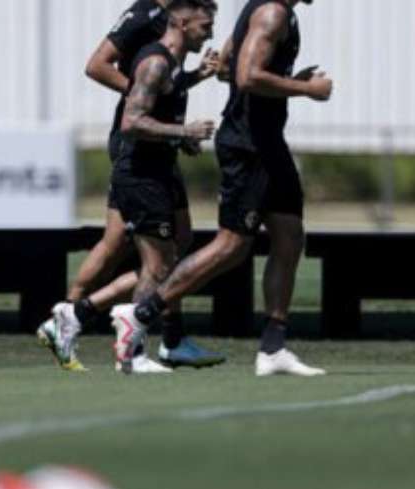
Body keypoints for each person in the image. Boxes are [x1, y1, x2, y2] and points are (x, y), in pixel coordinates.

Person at [110, 0, 333, 377]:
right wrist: (306, 88)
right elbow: (246, 77)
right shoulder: (271, 13)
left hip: (267, 140)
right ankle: (141, 314)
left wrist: (288, 80)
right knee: (231, 246)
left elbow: (228, 67)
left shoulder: (274, 12)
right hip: (250, 144)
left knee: (290, 235)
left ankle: (273, 348)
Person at [39, 0, 225, 373]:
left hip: (155, 162)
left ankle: (75, 315)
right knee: (155, 265)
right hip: (140, 168)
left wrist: (183, 112)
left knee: (167, 259)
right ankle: (132, 353)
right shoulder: (154, 59)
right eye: (205, 26)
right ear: (183, 22)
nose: (211, 34)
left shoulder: (169, 64)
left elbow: (160, 99)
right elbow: (133, 119)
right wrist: (181, 130)